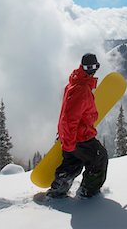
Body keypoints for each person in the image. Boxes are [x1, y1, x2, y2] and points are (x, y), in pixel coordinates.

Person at [46, 53, 108, 199]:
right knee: (99, 158)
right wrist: (68, 143)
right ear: (82, 66)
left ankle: (58, 191)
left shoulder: (76, 83)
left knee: (74, 162)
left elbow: (66, 114)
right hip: (80, 137)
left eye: (95, 67)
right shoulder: (80, 89)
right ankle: (88, 192)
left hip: (72, 136)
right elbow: (69, 118)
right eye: (88, 67)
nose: (92, 70)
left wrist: (65, 138)